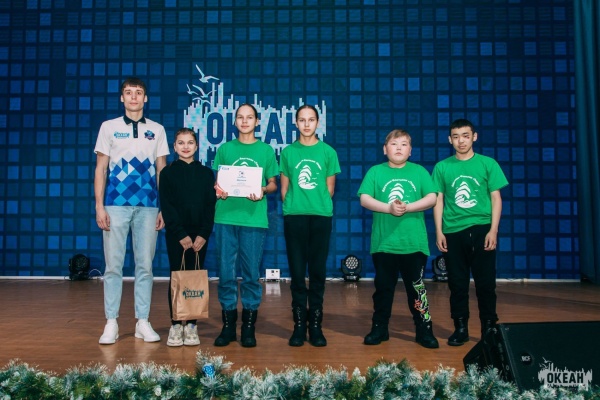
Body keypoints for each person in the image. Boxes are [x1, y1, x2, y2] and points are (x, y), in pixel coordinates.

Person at [94, 77, 169, 344]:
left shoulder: (157, 130)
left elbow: (162, 171)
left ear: (145, 98)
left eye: (138, 93)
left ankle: (142, 321)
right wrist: (99, 206)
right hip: (115, 205)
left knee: (145, 267)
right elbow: (101, 169)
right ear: (121, 98)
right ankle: (111, 322)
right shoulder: (109, 127)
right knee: (113, 267)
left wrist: (164, 207)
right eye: (129, 92)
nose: (134, 97)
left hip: (148, 207)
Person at [357, 129, 439, 349]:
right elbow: (364, 198)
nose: (399, 148)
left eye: (404, 144)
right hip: (384, 244)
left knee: (417, 289)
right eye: (394, 144)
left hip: (414, 244)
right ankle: (379, 327)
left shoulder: (419, 171)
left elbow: (432, 197)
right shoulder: (376, 171)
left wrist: (408, 207)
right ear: (385, 149)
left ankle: (424, 329)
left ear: (410, 150)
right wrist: (389, 208)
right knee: (383, 289)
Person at [432, 118, 508, 346]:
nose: (461, 141)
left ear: (474, 137)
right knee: (457, 284)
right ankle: (461, 328)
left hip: (482, 229)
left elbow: (496, 198)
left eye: (465, 136)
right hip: (453, 231)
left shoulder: (488, 164)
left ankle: (488, 328)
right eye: (456, 137)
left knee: (486, 284)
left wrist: (493, 230)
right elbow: (438, 200)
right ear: (450, 140)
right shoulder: (442, 167)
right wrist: (439, 231)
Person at [212, 103, 278, 348]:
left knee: (251, 274)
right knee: (226, 273)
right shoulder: (225, 149)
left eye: (250, 117)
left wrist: (263, 190)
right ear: (235, 121)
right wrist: (218, 189)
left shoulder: (266, 150)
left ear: (257, 121)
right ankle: (228, 326)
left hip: (253, 219)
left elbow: (273, 184)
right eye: (240, 117)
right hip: (225, 218)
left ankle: (248, 327)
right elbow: (218, 181)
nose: (244, 121)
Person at [280, 105, 341, 347]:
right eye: (302, 120)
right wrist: (295, 206)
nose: (307, 124)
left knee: (317, 272)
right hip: (294, 217)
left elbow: (330, 189)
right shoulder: (288, 152)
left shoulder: (328, 152)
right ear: (296, 123)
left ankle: (315, 325)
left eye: (311, 119)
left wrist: (315, 205)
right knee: (297, 273)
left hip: (320, 217)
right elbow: (284, 189)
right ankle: (298, 326)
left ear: (318, 122)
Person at [159, 128, 216, 347]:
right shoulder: (167, 173)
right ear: (174, 147)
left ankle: (191, 324)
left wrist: (204, 233)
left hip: (200, 235)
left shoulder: (206, 173)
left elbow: (210, 205)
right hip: (177, 235)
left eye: (190, 142)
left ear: (197, 146)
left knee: (195, 277)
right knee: (177, 275)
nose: (185, 147)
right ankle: (176, 324)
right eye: (181, 143)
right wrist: (180, 233)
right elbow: (167, 206)